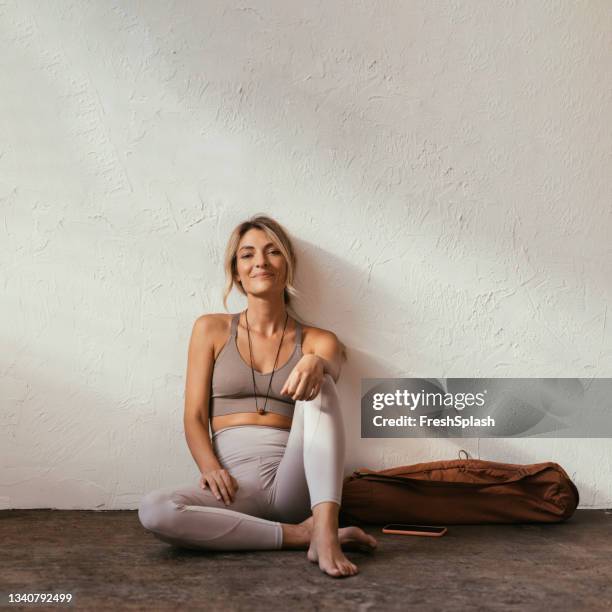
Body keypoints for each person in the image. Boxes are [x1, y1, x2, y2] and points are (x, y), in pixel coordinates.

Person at [138, 214, 377, 578]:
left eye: (272, 252)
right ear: (236, 271)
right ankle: (303, 535)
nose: (260, 262)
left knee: (321, 380)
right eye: (247, 255)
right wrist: (209, 467)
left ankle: (325, 530)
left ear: (288, 266)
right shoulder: (211, 329)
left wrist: (315, 361)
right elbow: (194, 417)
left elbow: (333, 365)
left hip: (294, 483)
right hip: (234, 489)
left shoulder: (316, 338)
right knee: (155, 510)